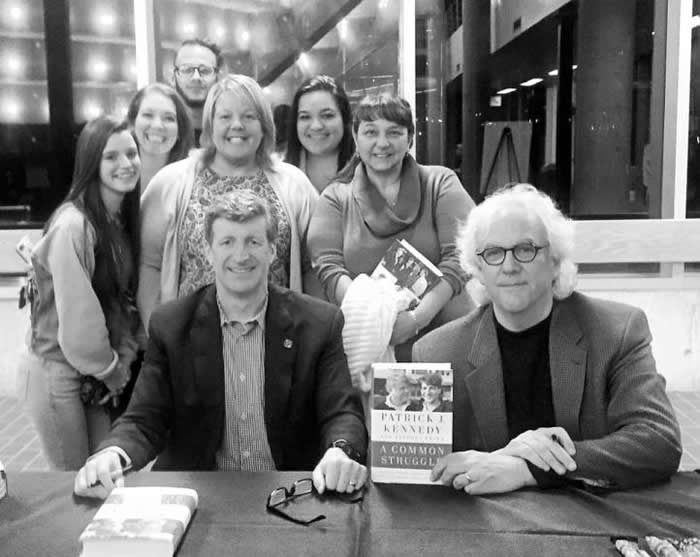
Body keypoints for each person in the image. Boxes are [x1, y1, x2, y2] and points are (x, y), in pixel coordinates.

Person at [74, 192, 367, 498]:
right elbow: (145, 419)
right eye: (227, 242)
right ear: (208, 251)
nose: (241, 255)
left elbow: (342, 414)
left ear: (271, 250)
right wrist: (112, 453)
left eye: (253, 242)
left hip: (289, 496)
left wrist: (340, 452)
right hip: (199, 496)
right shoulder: (171, 325)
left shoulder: (320, 324)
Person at [413, 184, 682, 494]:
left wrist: (529, 468)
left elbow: (658, 440)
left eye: (525, 249)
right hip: (482, 526)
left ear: (555, 261)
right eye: (494, 253)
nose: (510, 267)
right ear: (479, 268)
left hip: (587, 519)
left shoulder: (616, 331)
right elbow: (423, 468)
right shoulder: (436, 352)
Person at [138, 73, 320, 329]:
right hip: (190, 344)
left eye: (249, 116)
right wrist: (157, 336)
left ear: (264, 125)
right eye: (225, 117)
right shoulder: (170, 183)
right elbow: (150, 265)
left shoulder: (295, 185)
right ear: (211, 124)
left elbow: (312, 268)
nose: (237, 125)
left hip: (276, 342)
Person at [307, 93, 475, 360]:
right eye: (371, 132)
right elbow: (328, 266)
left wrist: (416, 319)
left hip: (442, 341)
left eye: (394, 132)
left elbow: (461, 256)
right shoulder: (336, 198)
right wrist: (376, 322)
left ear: (410, 138)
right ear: (355, 136)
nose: (382, 143)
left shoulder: (441, 183)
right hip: (367, 345)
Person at [18, 116, 142, 470]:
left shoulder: (116, 221)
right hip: (57, 370)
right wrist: (112, 370)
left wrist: (120, 359)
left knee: (105, 476)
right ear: (91, 163)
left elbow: (121, 301)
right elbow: (78, 323)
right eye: (111, 157)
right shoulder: (74, 225)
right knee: (73, 486)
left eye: (131, 154)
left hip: (90, 374)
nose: (126, 164)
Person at [286, 76, 354, 193]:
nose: (316, 126)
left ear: (344, 119)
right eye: (305, 117)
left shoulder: (368, 171)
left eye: (327, 115)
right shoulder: (279, 174)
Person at [126, 82, 194, 190]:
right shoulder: (113, 177)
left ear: (180, 130)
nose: (157, 125)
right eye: (148, 115)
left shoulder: (194, 180)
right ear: (133, 124)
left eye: (168, 118)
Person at [172, 38, 223, 145]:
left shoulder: (228, 134)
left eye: (205, 71)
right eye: (187, 70)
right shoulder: (163, 134)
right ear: (173, 77)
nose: (196, 77)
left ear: (218, 78)